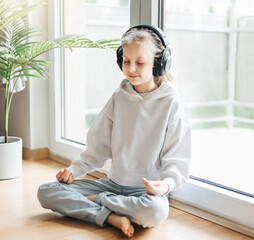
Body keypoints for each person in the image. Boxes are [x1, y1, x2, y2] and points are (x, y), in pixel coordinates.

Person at [37, 24, 191, 238]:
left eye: (140, 62)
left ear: (159, 63)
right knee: (46, 191)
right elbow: (97, 147)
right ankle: (109, 216)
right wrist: (74, 171)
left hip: (143, 194)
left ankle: (97, 204)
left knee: (156, 212)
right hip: (112, 186)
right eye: (126, 61)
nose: (131, 69)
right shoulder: (119, 98)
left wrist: (165, 185)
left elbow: (177, 159)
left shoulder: (170, 104)